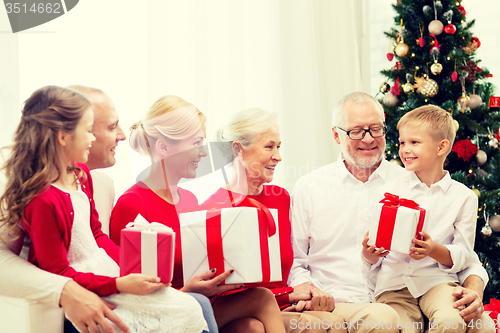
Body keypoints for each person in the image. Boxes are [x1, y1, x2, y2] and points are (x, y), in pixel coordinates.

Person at [0, 85, 207, 333]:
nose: (119, 135)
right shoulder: (42, 199)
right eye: (93, 130)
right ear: (63, 136)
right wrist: (119, 283)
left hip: (104, 275)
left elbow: (97, 235)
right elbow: (56, 269)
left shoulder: (86, 178)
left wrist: (134, 271)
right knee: (192, 308)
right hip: (85, 286)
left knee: (195, 307)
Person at [289, 92, 490, 333]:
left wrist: (475, 289)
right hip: (343, 300)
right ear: (336, 135)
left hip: (408, 293)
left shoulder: (414, 180)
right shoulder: (310, 186)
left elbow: (464, 254)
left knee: (481, 325)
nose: (369, 139)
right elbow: (295, 262)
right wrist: (309, 290)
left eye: (376, 129)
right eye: (356, 131)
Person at [110, 96, 286, 333]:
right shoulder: (132, 204)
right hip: (169, 310)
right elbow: (131, 295)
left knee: (250, 327)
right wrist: (188, 293)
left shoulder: (190, 199)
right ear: (163, 148)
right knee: (262, 299)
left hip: (200, 302)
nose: (204, 153)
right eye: (196, 143)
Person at [203, 108, 346, 333]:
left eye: (278, 147)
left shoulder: (281, 198)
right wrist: (286, 295)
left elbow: (295, 262)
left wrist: (301, 297)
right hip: (241, 312)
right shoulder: (215, 208)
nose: (278, 156)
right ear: (238, 150)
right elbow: (222, 289)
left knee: (335, 323)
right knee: (252, 327)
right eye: (269, 147)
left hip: (283, 305)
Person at [362, 105, 494, 333]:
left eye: (414, 142)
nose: (405, 149)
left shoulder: (463, 197)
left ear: (441, 147)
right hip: (393, 286)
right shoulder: (387, 192)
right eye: (402, 142)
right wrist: (369, 254)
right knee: (398, 327)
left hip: (437, 281)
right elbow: (370, 251)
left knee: (451, 322)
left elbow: (464, 254)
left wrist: (433, 249)